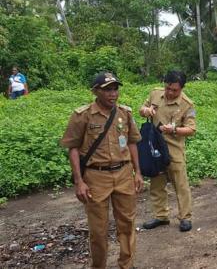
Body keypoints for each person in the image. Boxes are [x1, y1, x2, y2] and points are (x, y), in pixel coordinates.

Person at [60, 72, 143, 269]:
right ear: (95, 91)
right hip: (96, 177)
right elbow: (73, 148)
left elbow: (132, 142)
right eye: (107, 90)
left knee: (127, 224)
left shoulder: (125, 113)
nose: (113, 94)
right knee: (98, 230)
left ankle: (127, 264)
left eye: (115, 89)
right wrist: (79, 181)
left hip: (124, 173)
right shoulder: (82, 116)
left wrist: (137, 172)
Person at [140, 71, 196, 232]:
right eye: (168, 88)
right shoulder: (155, 94)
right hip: (155, 147)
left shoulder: (187, 104)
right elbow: (142, 108)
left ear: (181, 89)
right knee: (156, 182)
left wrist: (175, 129)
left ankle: (185, 217)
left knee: (181, 184)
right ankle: (161, 216)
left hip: (174, 148)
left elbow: (192, 129)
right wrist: (145, 111)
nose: (170, 92)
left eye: (174, 90)